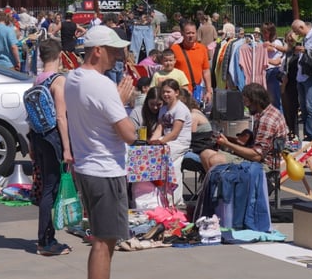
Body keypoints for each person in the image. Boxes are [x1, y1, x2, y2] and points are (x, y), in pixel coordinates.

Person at [64, 25, 136, 279]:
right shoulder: (102, 84)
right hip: (105, 170)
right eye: (113, 50)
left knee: (102, 238)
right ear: (97, 51)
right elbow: (129, 134)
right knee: (104, 242)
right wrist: (120, 102)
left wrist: (115, 100)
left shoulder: (73, 78)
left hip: (87, 167)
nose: (118, 56)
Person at [29, 39, 73, 256]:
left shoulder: (37, 81)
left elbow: (30, 115)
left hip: (38, 137)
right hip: (53, 138)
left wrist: (31, 143)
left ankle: (46, 238)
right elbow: (61, 117)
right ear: (59, 55)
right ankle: (45, 241)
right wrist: (67, 148)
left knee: (46, 185)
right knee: (50, 189)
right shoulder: (58, 80)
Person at [200, 83, 287, 171]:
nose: (245, 105)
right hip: (258, 158)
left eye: (246, 102)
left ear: (255, 101)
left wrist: (227, 144)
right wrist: (228, 139)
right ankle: (213, 180)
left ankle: (220, 179)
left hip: (264, 166)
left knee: (215, 160)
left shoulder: (266, 120)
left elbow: (257, 156)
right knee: (205, 154)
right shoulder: (268, 112)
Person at [148, 78, 192, 205]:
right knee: (150, 152)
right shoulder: (163, 109)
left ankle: (174, 199)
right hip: (167, 140)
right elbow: (160, 127)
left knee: (166, 159)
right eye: (163, 92)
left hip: (179, 142)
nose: (165, 94)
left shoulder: (180, 109)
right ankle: (156, 196)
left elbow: (175, 133)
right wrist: (152, 141)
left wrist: (160, 142)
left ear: (176, 92)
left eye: (168, 92)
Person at [291, 19, 312, 141]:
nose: (296, 34)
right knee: (304, 108)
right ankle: (309, 135)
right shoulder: (305, 38)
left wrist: (306, 51)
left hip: (310, 76)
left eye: (296, 31)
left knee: (310, 106)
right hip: (301, 76)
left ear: (301, 27)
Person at [171, 21, 213, 106]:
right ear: (182, 33)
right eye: (188, 33)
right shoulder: (174, 49)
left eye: (193, 33)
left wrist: (209, 91)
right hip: (179, 93)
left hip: (196, 92)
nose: (191, 35)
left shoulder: (202, 49)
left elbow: (206, 71)